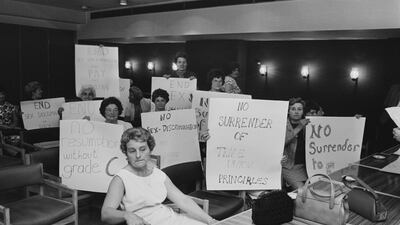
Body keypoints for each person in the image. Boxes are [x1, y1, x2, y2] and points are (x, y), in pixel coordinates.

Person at [101, 127, 216, 225]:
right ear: (126, 153)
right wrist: (126, 215)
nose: (138, 155)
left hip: (170, 219)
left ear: (150, 149)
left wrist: (211, 221)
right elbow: (105, 213)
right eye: (132, 151)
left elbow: (182, 200)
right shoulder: (121, 178)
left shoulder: (158, 174)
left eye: (142, 149)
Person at [281, 97, 310, 190]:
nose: (296, 112)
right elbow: (283, 142)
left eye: (299, 109)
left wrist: (355, 119)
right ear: (288, 111)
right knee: (302, 191)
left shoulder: (309, 124)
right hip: (289, 167)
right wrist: (299, 127)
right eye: (293, 109)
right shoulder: (282, 124)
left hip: (307, 167)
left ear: (303, 111)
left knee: (314, 189)